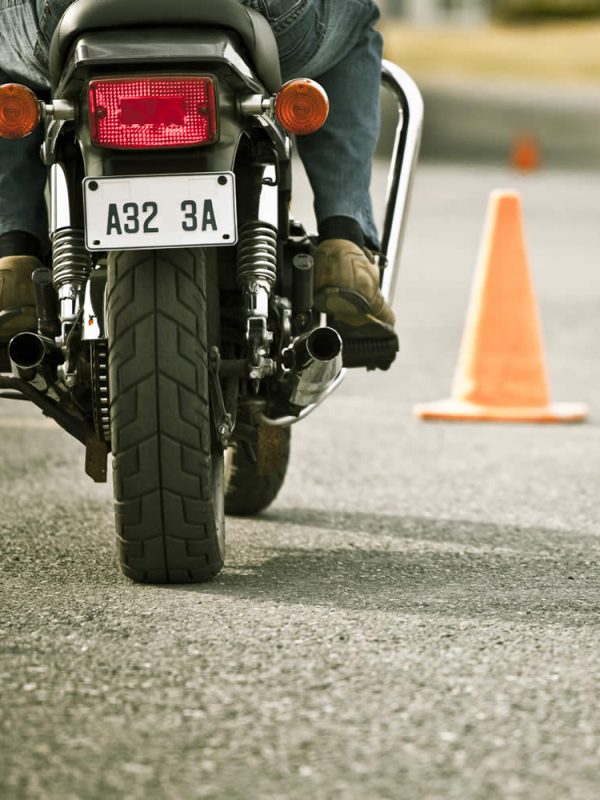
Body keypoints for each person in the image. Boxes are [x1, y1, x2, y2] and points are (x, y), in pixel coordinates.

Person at [0, 0, 395, 343]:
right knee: (356, 16)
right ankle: (345, 243)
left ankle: (13, 254)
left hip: (68, 12)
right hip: (259, 9)